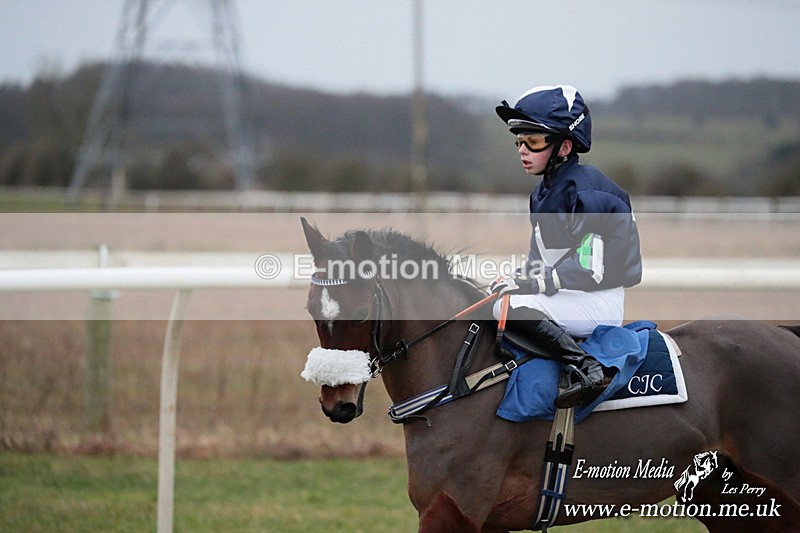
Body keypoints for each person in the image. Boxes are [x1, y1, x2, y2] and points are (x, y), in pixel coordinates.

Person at [489, 85, 642, 408]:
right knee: (494, 300)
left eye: (533, 141)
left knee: (508, 308)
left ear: (564, 146)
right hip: (568, 295)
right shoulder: (542, 193)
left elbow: (589, 267)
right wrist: (513, 278)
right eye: (519, 141)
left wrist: (528, 283)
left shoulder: (590, 190)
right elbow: (538, 262)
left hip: (596, 300)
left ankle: (587, 367)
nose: (522, 150)